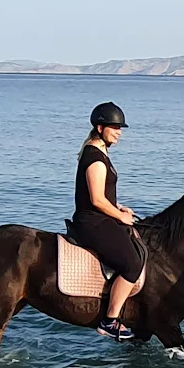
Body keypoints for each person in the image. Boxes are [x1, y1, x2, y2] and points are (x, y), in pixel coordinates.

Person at [71, 102, 148, 340]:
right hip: (92, 222)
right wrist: (121, 216)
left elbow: (103, 196)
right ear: (100, 127)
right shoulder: (95, 157)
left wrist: (118, 206)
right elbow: (96, 200)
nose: (119, 132)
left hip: (100, 216)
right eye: (115, 127)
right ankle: (110, 320)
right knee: (133, 263)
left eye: (121, 128)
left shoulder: (99, 151)